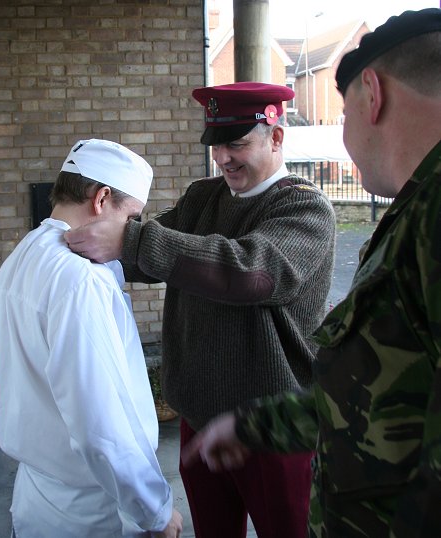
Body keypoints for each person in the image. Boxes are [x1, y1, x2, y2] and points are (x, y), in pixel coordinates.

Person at [182, 8, 441, 538]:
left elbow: (251, 272)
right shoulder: (418, 210)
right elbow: (375, 386)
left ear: (373, 92)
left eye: (342, 116)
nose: (342, 139)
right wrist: (258, 427)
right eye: (219, 147)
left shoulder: (410, 214)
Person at [65, 83, 336, 538]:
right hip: (200, 417)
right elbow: (148, 259)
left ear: (276, 136)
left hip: (274, 427)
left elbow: (254, 272)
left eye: (236, 143)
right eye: (215, 145)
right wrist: (66, 244)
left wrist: (131, 239)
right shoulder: (203, 198)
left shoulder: (305, 208)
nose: (223, 157)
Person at [0, 139, 183, 538]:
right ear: (102, 199)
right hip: (93, 514)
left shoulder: (23, 254)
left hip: (38, 499)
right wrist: (156, 512)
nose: (130, 229)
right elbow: (102, 429)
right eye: (131, 217)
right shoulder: (80, 279)